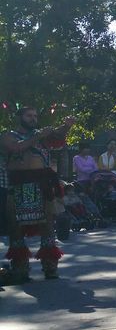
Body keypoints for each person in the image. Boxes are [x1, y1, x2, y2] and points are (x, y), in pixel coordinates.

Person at [2, 108, 73, 281]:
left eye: (35, 116)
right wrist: (39, 136)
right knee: (16, 229)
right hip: (18, 187)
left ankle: (50, 267)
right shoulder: (7, 135)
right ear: (19, 117)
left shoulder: (41, 136)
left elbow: (58, 138)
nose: (33, 119)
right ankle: (20, 268)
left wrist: (67, 126)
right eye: (29, 115)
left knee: (48, 227)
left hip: (43, 186)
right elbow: (17, 148)